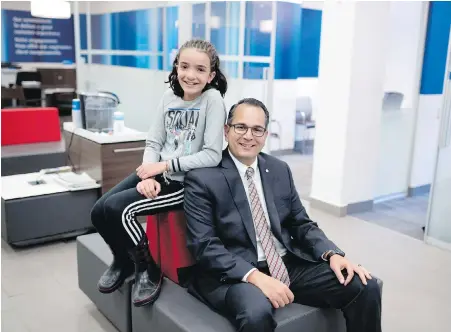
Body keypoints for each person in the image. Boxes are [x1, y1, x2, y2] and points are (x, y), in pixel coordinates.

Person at [184, 98, 382, 332]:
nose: (249, 136)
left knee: (363, 285)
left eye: (257, 129)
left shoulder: (278, 169)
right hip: (237, 271)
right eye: (241, 127)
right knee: (256, 314)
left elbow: (301, 224)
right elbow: (205, 246)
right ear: (226, 131)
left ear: (266, 135)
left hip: (285, 263)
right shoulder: (203, 178)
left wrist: (332, 254)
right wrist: (255, 276)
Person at [90, 39, 228, 307]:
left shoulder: (212, 100)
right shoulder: (168, 98)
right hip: (158, 173)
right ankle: (123, 260)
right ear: (176, 67)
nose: (190, 75)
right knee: (99, 211)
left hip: (185, 184)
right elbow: (153, 143)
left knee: (121, 210)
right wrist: (149, 177)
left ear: (211, 75)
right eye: (185, 66)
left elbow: (212, 155)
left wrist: (163, 167)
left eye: (200, 69)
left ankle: (147, 268)